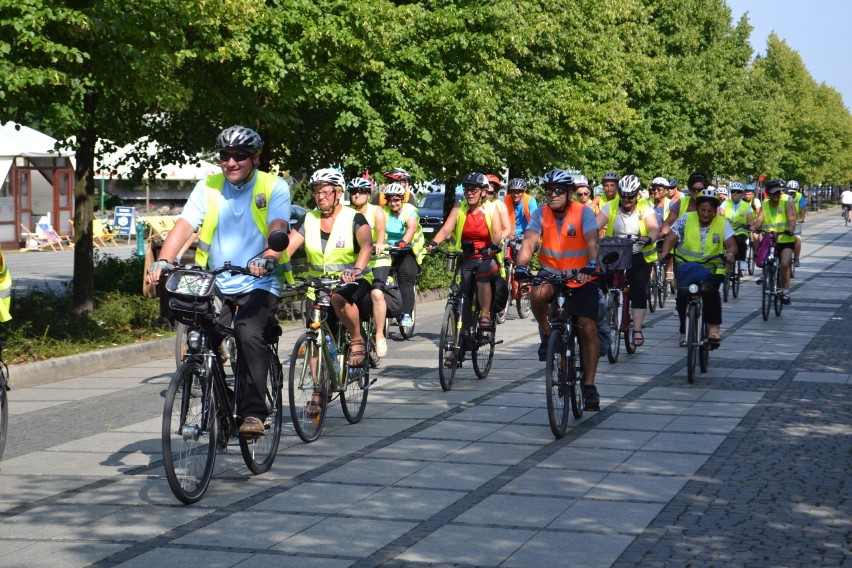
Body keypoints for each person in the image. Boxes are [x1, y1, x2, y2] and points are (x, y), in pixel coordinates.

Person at [147, 125, 291, 437]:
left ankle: (253, 414)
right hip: (216, 281)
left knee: (247, 332)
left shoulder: (273, 185)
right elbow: (185, 225)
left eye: (239, 156)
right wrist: (164, 259)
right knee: (200, 338)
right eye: (225, 156)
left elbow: (279, 224)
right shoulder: (208, 186)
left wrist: (269, 255)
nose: (231, 162)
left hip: (258, 281)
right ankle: (222, 406)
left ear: (254, 158)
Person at [513, 168, 602, 411]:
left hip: (582, 275)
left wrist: (592, 264)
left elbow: (593, 240)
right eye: (549, 191)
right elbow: (530, 240)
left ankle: (589, 385)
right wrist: (521, 266)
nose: (552, 195)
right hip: (550, 273)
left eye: (558, 191)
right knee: (537, 293)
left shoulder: (583, 212)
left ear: (570, 192)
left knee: (588, 327)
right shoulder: (541, 213)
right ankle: (547, 334)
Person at [425, 172, 503, 350]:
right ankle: (457, 343)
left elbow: (498, 233)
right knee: (459, 298)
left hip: (486, 256)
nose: (469, 193)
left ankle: (484, 315)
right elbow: (446, 229)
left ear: (483, 192)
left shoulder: (491, 209)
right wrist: (433, 242)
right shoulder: (459, 208)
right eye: (467, 189)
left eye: (474, 190)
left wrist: (493, 245)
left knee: (483, 274)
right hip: (465, 257)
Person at [661, 188, 737, 349]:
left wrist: (730, 254)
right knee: (682, 295)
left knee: (711, 293)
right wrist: (665, 252)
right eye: (703, 210)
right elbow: (671, 238)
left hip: (712, 268)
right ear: (697, 208)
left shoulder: (723, 223)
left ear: (715, 210)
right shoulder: (686, 219)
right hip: (687, 266)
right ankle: (684, 329)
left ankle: (713, 331)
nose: (706, 214)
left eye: (710, 211)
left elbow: (732, 245)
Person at [596, 174, 659, 347]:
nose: (626, 199)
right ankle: (603, 315)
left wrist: (649, 238)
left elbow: (654, 228)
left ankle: (637, 329)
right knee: (599, 279)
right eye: (623, 195)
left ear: (637, 194)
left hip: (638, 252)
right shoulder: (611, 206)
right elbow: (595, 225)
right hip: (615, 252)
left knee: (638, 288)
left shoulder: (645, 208)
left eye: (630, 196)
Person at [347, 176, 389, 356]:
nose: (357, 195)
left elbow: (380, 230)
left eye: (361, 192)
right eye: (353, 192)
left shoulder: (376, 210)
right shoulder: (346, 212)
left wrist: (379, 244)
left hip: (377, 259)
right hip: (356, 262)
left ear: (368, 194)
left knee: (377, 293)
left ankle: (379, 335)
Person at [381, 182, 426, 329]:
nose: (393, 203)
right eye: (390, 200)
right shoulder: (382, 211)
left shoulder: (410, 210)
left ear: (402, 199)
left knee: (406, 281)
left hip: (406, 249)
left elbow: (412, 228)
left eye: (396, 200)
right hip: (388, 249)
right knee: (379, 277)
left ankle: (406, 314)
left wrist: (403, 242)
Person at [754, 179, 797, 305]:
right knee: (764, 260)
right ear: (768, 194)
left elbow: (791, 218)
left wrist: (791, 227)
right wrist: (754, 227)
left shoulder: (786, 202)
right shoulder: (765, 205)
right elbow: (759, 220)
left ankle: (785, 291)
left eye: (779, 192)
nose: (777, 195)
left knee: (784, 264)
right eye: (774, 193)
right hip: (770, 238)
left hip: (785, 239)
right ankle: (765, 273)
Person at [720, 182, 754, 274]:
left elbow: (750, 219)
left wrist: (751, 226)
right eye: (733, 191)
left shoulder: (746, 206)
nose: (735, 193)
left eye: (738, 192)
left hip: (740, 231)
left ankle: (742, 261)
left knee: (741, 241)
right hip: (727, 231)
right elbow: (720, 214)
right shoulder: (725, 203)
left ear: (742, 193)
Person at [485, 174, 513, 240]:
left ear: (495, 193)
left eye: (490, 193)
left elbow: (508, 229)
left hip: (494, 244)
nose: (487, 195)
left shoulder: (501, 206)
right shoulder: (476, 204)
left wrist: (500, 239)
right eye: (485, 192)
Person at [786, 180, 806, 267]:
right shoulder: (784, 196)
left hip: (796, 220)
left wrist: (802, 218)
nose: (791, 194)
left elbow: (802, 209)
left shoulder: (800, 196)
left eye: (793, 192)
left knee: (797, 239)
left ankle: (797, 258)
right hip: (784, 220)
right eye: (790, 192)